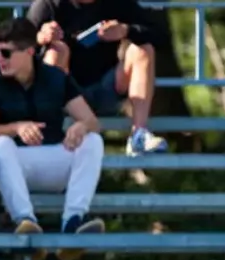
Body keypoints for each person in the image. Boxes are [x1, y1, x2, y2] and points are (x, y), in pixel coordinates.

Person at [0, 18, 104, 260]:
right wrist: (17, 127)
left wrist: (80, 126)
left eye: (5, 52)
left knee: (93, 140)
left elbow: (92, 121)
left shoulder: (55, 77)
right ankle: (26, 223)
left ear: (29, 51)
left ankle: (73, 224)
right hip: (13, 165)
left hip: (54, 158)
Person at [27, 0, 166, 156]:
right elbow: (16, 48)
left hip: (107, 88)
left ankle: (138, 135)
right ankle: (48, 131)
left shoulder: (118, 3)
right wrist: (40, 38)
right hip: (66, 98)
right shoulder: (49, 4)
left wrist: (126, 30)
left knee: (144, 49)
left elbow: (160, 35)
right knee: (57, 51)